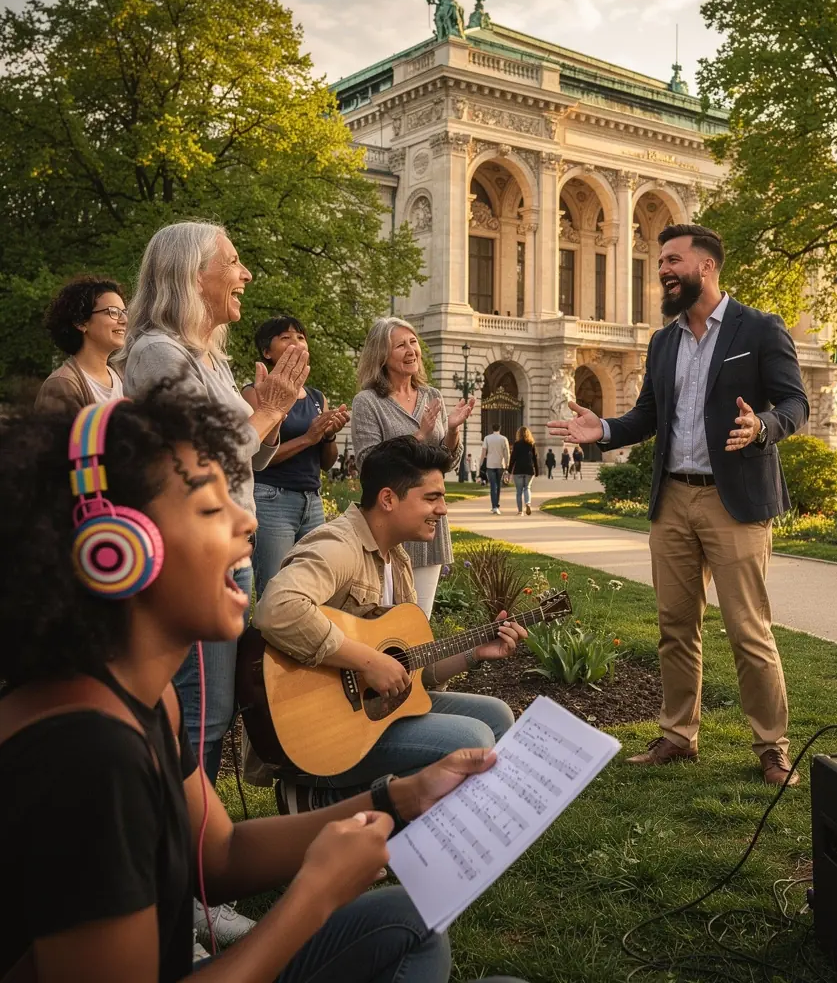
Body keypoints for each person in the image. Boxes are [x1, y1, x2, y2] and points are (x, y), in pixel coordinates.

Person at [0, 390, 527, 983]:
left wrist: (399, 798)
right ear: (113, 551)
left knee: (414, 920)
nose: (247, 520)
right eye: (208, 507)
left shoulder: (148, 702)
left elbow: (219, 856)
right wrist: (315, 897)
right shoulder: (85, 759)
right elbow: (283, 609)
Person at [548, 223, 809, 786]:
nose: (662, 269)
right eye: (660, 261)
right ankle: (677, 735)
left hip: (734, 501)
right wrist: (605, 429)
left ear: (706, 267)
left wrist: (763, 426)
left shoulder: (759, 328)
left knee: (748, 629)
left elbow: (795, 402)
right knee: (674, 625)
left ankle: (771, 747)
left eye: (672, 260)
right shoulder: (663, 340)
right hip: (673, 499)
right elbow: (647, 415)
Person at [120, 221, 308, 946]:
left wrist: (262, 412)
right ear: (190, 273)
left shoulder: (209, 357)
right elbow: (200, 457)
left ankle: (196, 884)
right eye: (233, 262)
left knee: (213, 713)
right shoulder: (159, 354)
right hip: (197, 554)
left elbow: (238, 456)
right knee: (196, 719)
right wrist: (269, 410)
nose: (247, 275)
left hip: (226, 545)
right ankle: (183, 900)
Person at [252, 436, 522, 812]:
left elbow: (411, 673)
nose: (442, 509)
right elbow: (276, 609)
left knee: (496, 717)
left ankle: (460, 829)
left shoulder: (397, 560)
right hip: (320, 734)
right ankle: (320, 799)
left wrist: (474, 654)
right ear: (388, 499)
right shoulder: (339, 546)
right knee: (472, 736)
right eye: (432, 498)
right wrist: (368, 661)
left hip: (371, 717)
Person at [350, 318, 474, 620]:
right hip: (389, 522)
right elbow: (368, 465)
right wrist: (418, 436)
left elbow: (446, 463)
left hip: (429, 519)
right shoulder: (367, 402)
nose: (411, 350)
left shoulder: (433, 397)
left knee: (419, 620)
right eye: (401, 345)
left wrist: (452, 432)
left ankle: (414, 670)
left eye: (413, 342)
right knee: (384, 621)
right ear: (382, 355)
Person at [242, 316, 349, 598]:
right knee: (275, 591)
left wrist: (328, 434)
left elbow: (326, 462)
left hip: (311, 501)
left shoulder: (316, 397)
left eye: (301, 337)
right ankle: (266, 644)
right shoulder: (255, 393)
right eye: (286, 338)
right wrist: (308, 438)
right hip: (272, 499)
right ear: (267, 352)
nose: (296, 343)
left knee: (314, 587)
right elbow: (257, 455)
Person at [35, 276, 127, 414]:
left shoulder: (121, 378)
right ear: (80, 322)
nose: (124, 320)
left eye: (124, 312)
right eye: (113, 312)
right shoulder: (61, 386)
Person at [509, 427, 540, 516]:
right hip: (529, 469)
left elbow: (513, 458)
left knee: (519, 491)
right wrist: (537, 470)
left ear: (518, 434)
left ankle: (520, 511)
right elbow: (535, 458)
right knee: (527, 488)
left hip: (518, 469)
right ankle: (528, 503)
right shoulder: (531, 444)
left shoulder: (516, 444)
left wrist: (509, 469)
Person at [480, 424, 511, 514]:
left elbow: (483, 452)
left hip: (490, 464)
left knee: (493, 486)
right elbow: (507, 453)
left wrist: (481, 463)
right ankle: (496, 504)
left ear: (492, 429)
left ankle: (494, 506)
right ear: (500, 429)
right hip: (500, 464)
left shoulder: (487, 438)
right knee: (498, 485)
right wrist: (507, 464)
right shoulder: (504, 439)